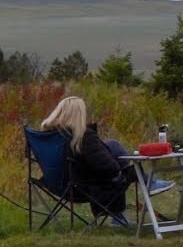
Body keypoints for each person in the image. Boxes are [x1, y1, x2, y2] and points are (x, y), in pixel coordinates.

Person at [40, 95, 174, 226]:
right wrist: (117, 166)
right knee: (126, 172)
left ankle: (145, 186)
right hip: (83, 187)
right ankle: (148, 183)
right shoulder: (83, 136)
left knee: (112, 145)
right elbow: (109, 168)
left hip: (57, 183)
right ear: (79, 115)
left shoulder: (49, 136)